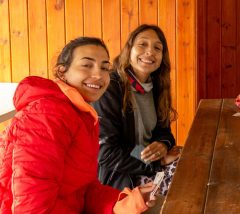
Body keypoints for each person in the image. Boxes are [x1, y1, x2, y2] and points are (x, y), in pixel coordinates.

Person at [0, 37, 156, 213]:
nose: (98, 75)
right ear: (61, 71)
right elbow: (31, 205)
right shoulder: (46, 114)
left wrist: (126, 204)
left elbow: (84, 189)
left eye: (104, 67)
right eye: (87, 65)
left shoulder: (82, 115)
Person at [93, 25, 180, 196]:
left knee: (195, 161)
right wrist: (159, 161)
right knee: (186, 180)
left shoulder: (156, 87)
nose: (150, 52)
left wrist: (163, 145)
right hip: (122, 176)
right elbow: (106, 153)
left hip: (148, 164)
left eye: (157, 48)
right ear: (129, 50)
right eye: (142, 44)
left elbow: (164, 132)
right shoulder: (112, 86)